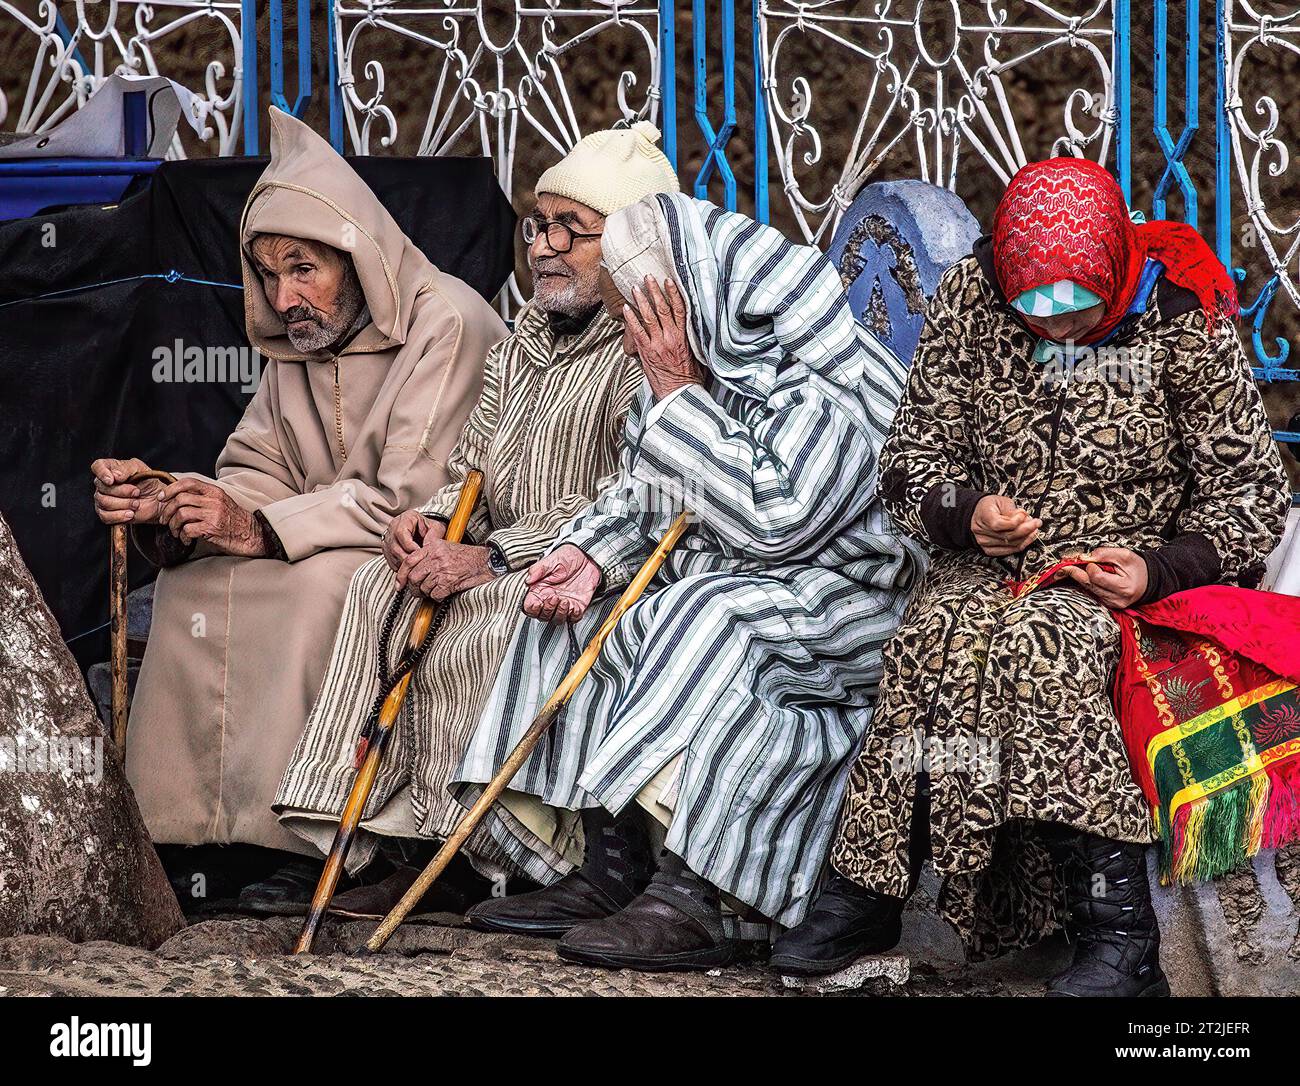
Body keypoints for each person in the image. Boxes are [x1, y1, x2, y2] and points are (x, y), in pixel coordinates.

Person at [770, 158, 1290, 996]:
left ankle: (1116, 929)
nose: (1052, 329)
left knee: (1040, 643)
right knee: (934, 634)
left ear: (1114, 268)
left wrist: (1154, 570)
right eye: (1032, 310)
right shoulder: (973, 300)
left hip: (1125, 577)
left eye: (1074, 310)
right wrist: (964, 511)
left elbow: (1249, 494)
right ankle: (869, 887)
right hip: (992, 564)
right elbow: (909, 463)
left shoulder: (1182, 320)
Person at [455, 192, 924, 971]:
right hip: (758, 577)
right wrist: (590, 555)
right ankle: (609, 867)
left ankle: (702, 890)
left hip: (852, 595)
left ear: (699, 300)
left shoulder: (835, 379)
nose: (637, 334)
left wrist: (679, 393)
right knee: (575, 609)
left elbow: (776, 521)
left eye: (644, 312)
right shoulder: (704, 367)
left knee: (705, 617)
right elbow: (646, 488)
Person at [91, 107, 505, 903]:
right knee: (192, 585)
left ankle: (317, 840)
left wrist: (259, 526)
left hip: (434, 554)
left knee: (324, 589)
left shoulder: (444, 319)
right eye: (269, 273)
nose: (284, 297)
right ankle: (193, 834)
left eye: (303, 268)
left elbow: (411, 499)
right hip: (331, 536)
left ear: (356, 258)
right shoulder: (301, 342)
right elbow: (257, 468)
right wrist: (183, 504)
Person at [269, 123, 681, 917]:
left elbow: (629, 495)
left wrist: (490, 559)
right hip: (496, 548)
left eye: (573, 230)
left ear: (629, 244)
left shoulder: (646, 344)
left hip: (589, 562)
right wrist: (424, 525)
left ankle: (476, 857)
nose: (545, 247)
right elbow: (470, 471)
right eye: (538, 224)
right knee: (377, 590)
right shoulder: (522, 339)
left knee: (486, 619)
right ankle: (380, 838)